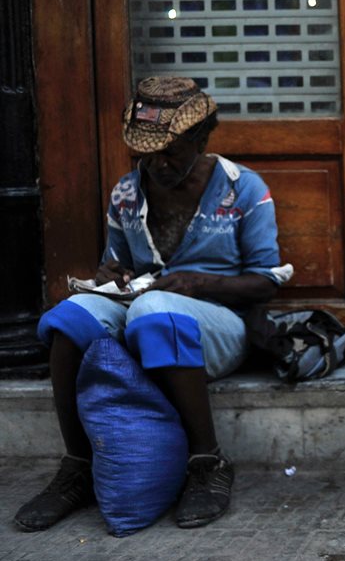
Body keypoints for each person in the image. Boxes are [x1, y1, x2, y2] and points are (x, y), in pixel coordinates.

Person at [15, 77, 292, 532]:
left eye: (171, 152)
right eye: (148, 154)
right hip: (147, 317)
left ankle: (208, 462)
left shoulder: (242, 188)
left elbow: (264, 283)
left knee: (155, 309)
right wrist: (109, 277)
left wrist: (194, 282)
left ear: (201, 140)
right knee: (68, 317)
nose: (158, 165)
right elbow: (114, 267)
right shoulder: (128, 192)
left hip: (219, 328)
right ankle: (78, 465)